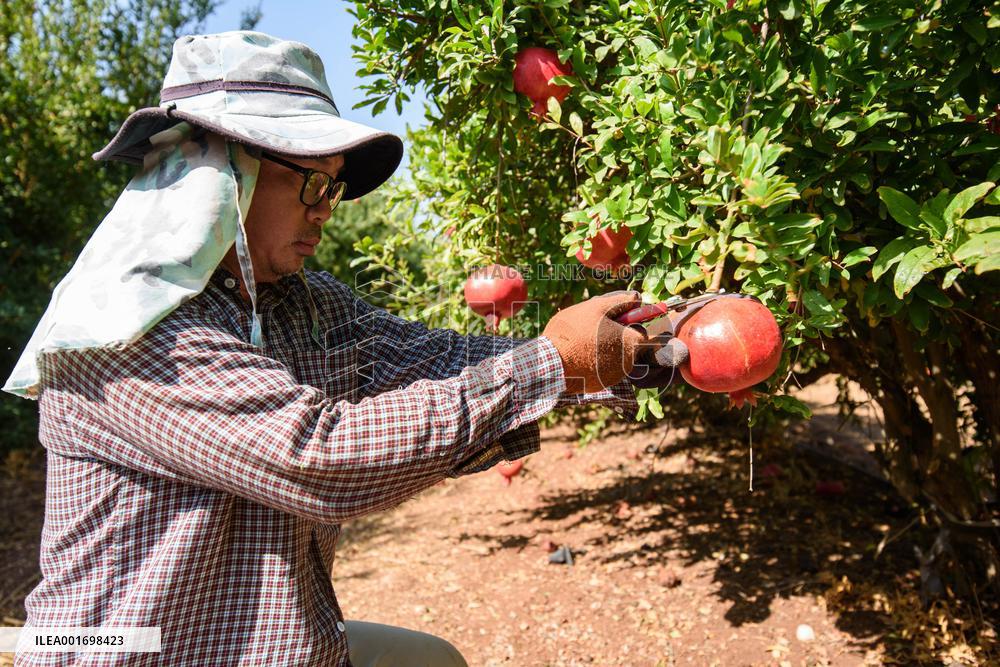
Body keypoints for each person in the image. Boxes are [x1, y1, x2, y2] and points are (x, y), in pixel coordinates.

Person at [3, 31, 676, 666]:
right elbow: (324, 457)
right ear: (220, 173)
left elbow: (430, 358)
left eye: (334, 186)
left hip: (271, 641)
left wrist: (623, 354)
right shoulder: (129, 334)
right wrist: (552, 362)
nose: (327, 208)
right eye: (313, 183)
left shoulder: (301, 301)